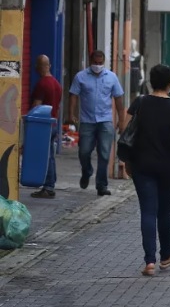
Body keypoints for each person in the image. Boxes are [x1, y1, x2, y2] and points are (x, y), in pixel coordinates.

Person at [120, 64, 170, 277]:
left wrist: (126, 160)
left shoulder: (139, 102)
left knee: (148, 211)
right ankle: (166, 256)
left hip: (141, 164)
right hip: (168, 165)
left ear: (151, 82)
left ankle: (149, 261)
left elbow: (125, 130)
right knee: (165, 211)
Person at [68, 51, 125, 196]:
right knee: (84, 151)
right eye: (95, 63)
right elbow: (73, 95)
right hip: (87, 121)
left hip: (105, 121)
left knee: (104, 154)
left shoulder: (111, 77)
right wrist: (71, 114)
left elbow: (119, 98)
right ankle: (87, 171)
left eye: (100, 63)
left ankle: (102, 185)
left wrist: (121, 121)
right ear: (90, 61)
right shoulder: (80, 77)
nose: (98, 66)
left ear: (104, 62)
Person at [29, 55, 62, 199]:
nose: (35, 68)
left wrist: (29, 122)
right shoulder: (56, 84)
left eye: (37, 65)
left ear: (40, 66)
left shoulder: (42, 84)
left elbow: (36, 106)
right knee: (51, 156)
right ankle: (50, 184)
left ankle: (48, 186)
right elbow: (57, 107)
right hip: (52, 123)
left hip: (42, 125)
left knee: (46, 156)